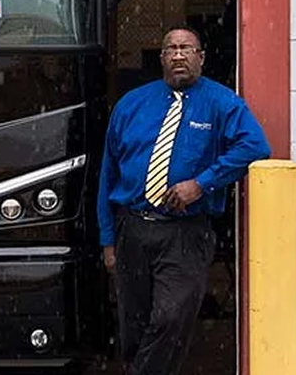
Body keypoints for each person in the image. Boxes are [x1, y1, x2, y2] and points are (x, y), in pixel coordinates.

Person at [97, 25, 270, 375]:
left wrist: (203, 183)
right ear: (161, 58)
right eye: (171, 49)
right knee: (134, 325)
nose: (179, 55)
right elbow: (107, 175)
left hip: (185, 233)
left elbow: (255, 146)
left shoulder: (222, 103)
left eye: (187, 48)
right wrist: (108, 241)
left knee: (171, 318)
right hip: (132, 228)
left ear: (201, 58)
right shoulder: (132, 104)